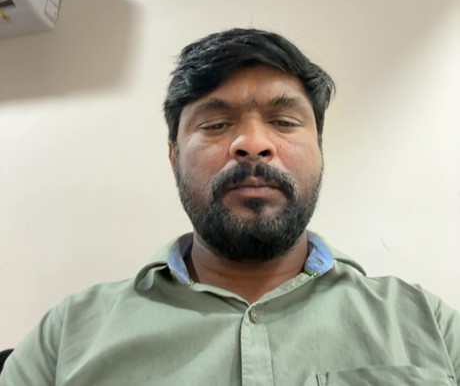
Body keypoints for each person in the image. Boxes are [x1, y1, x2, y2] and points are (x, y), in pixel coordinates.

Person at [1, 28, 459, 385]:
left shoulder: (429, 324)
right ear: (174, 157)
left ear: (320, 150)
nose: (253, 143)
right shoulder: (67, 335)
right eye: (217, 124)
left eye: (284, 122)